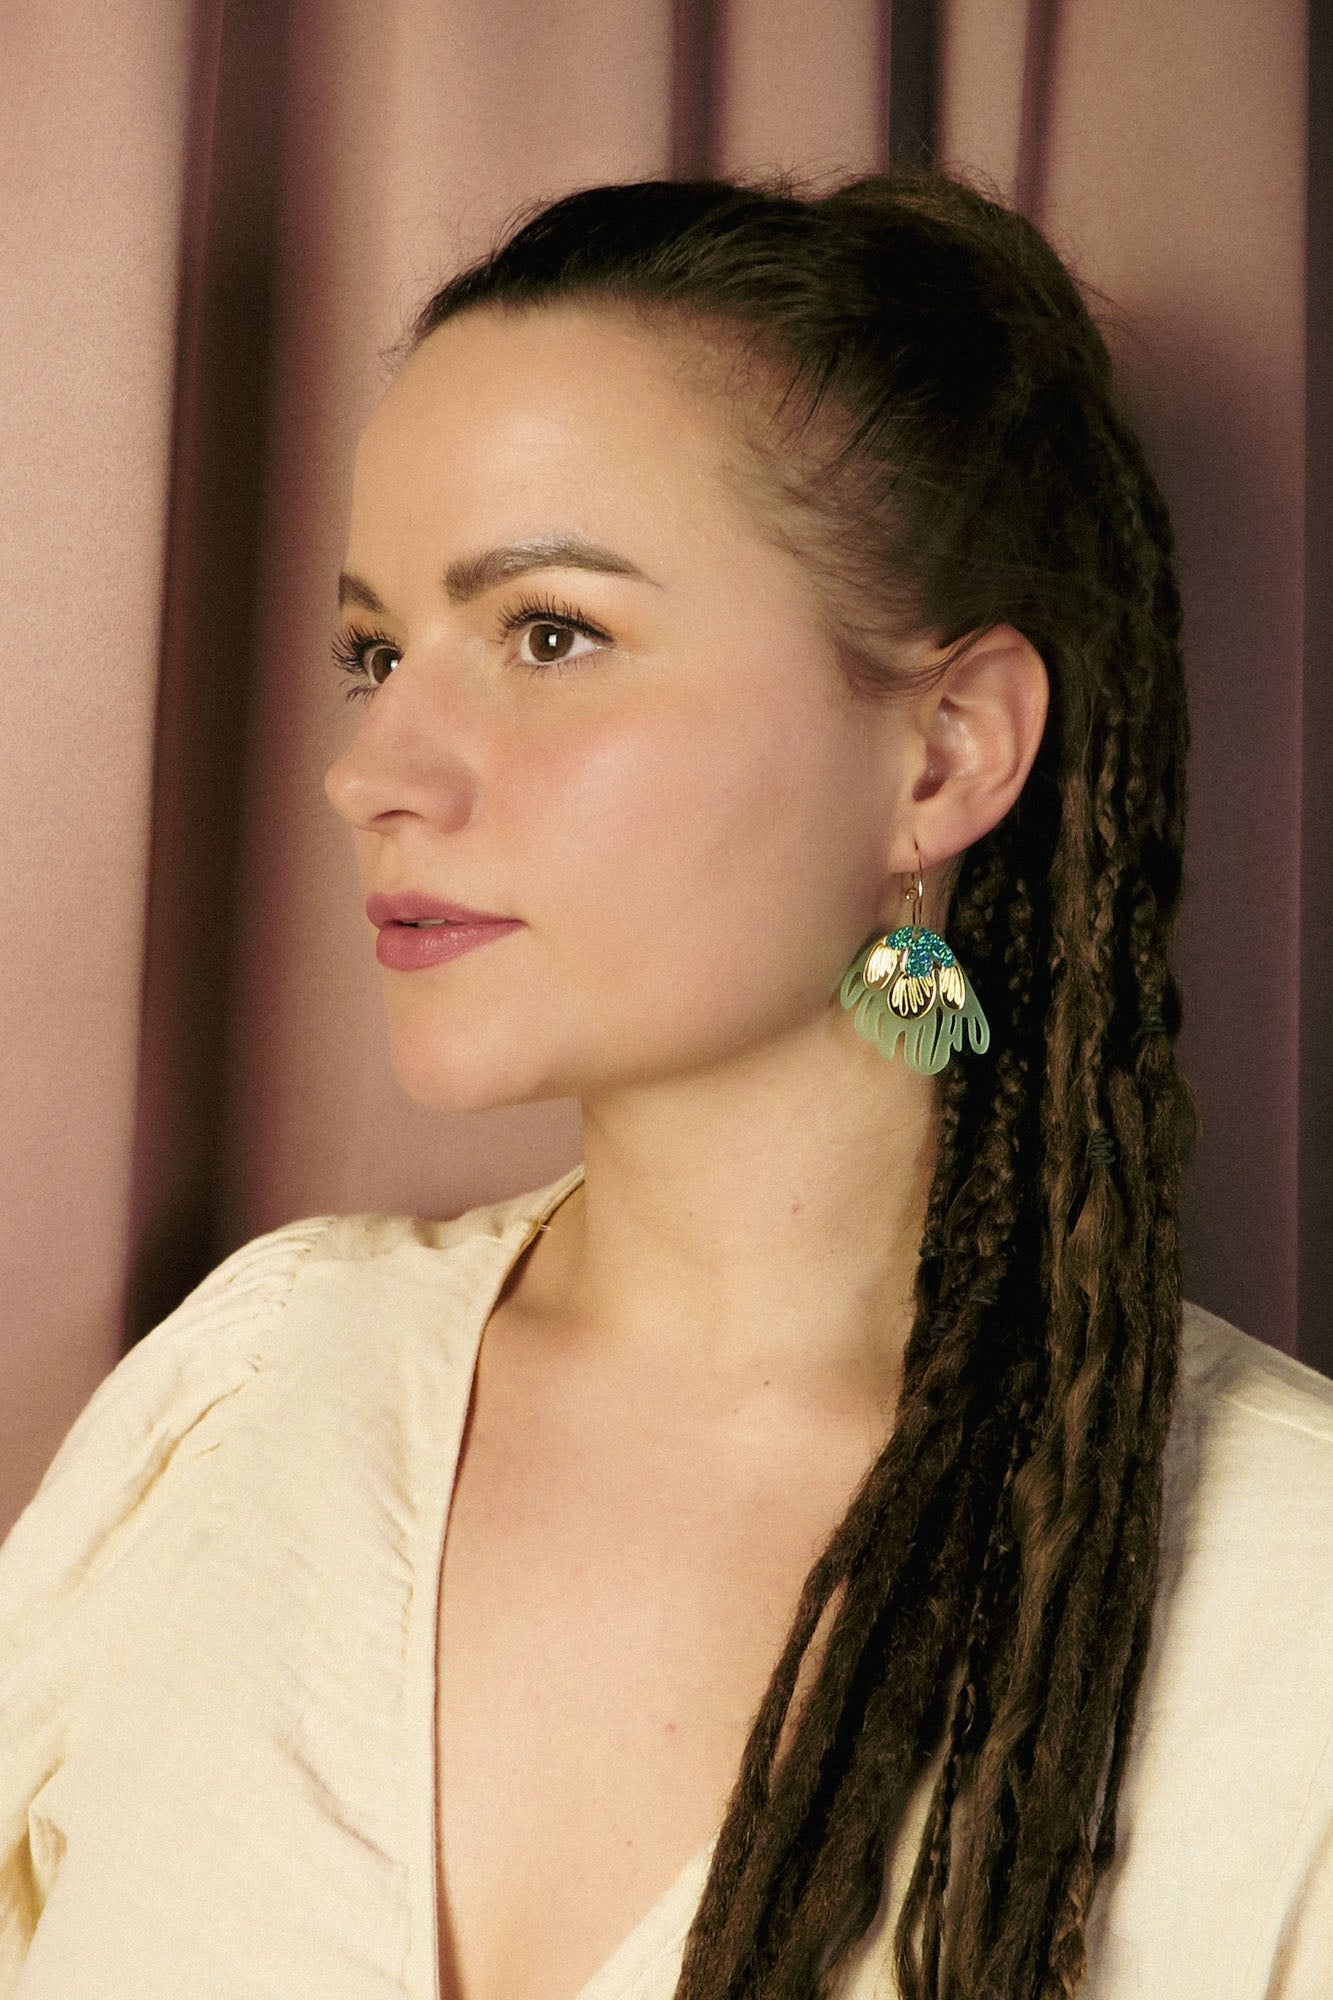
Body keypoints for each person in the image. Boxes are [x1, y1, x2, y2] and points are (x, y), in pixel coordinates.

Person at [1, 170, 1331, 2000]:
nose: (372, 770)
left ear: (942, 756)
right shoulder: (251, 1396)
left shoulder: (1287, 1600)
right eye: (374, 654)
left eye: (549, 633)